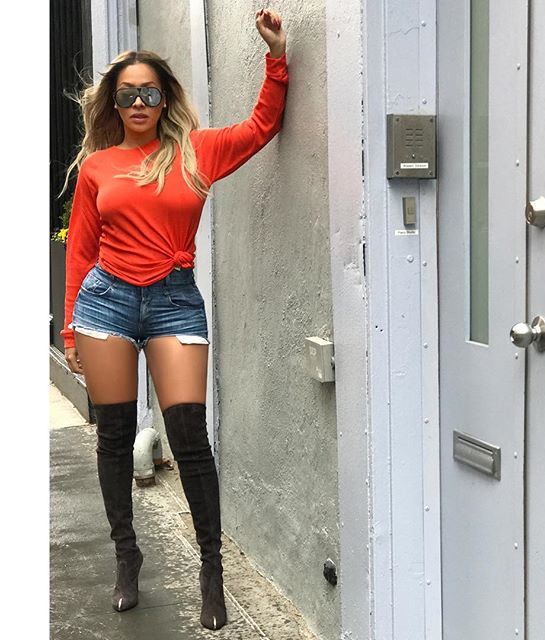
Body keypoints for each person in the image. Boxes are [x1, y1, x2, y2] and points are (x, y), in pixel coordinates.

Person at [59, 8, 287, 632]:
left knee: (189, 437)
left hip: (174, 302)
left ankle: (211, 569)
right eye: (126, 94)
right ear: (114, 102)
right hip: (106, 302)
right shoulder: (98, 167)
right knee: (113, 436)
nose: (138, 103)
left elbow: (262, 126)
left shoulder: (196, 151)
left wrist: (275, 56)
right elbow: (81, 251)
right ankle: (126, 557)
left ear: (165, 99)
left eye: (149, 93)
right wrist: (70, 327)